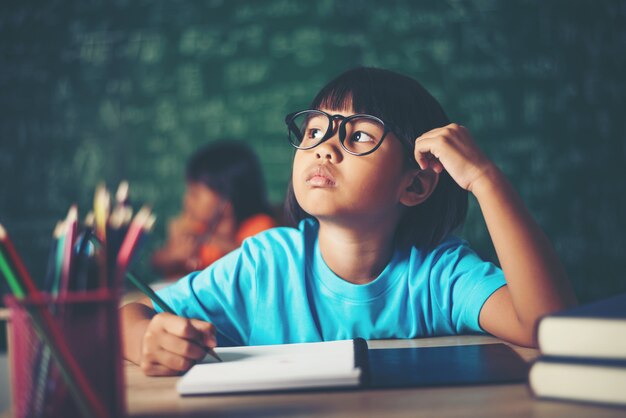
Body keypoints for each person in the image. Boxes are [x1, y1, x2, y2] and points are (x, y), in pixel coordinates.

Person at [122, 67, 576, 376]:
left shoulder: (440, 275)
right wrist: (149, 339)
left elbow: (547, 327)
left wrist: (484, 178)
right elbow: (126, 316)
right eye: (315, 130)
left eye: (357, 135)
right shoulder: (263, 267)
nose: (323, 147)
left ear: (414, 186)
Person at [151, 141, 276, 277]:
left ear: (226, 202)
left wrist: (207, 239)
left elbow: (256, 261)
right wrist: (174, 254)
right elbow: (156, 261)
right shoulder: (197, 226)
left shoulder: (260, 226)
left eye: (195, 194)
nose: (186, 200)